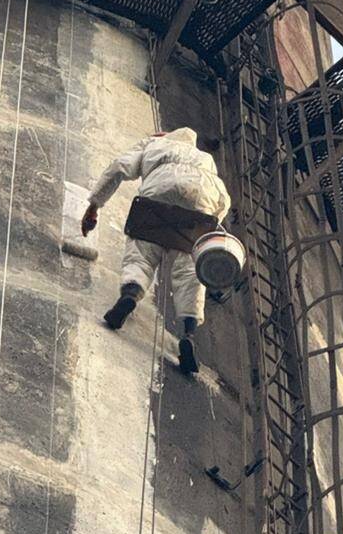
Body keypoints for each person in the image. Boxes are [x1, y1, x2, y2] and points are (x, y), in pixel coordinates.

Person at [81, 127, 231, 374]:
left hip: (159, 191)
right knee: (189, 270)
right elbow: (223, 200)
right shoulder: (205, 159)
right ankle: (189, 332)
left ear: (165, 136)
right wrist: (209, 225)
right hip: (202, 199)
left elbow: (119, 167)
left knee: (141, 249)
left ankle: (130, 294)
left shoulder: (154, 144)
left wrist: (94, 206)